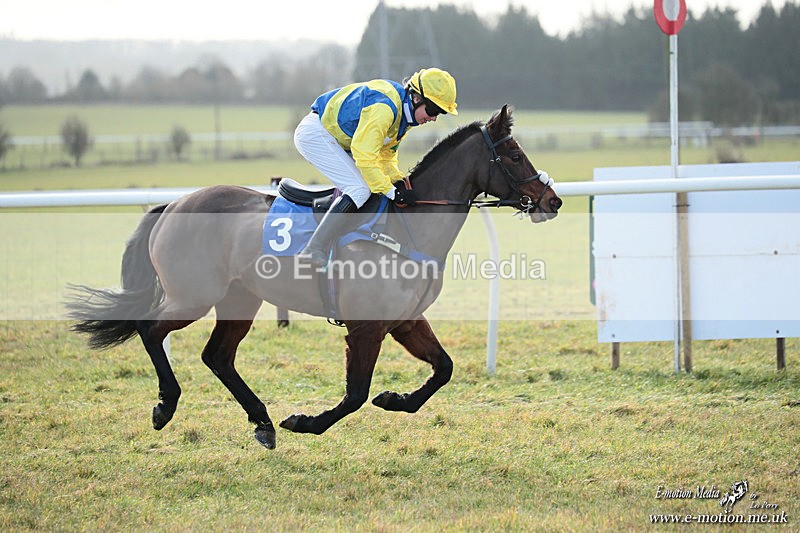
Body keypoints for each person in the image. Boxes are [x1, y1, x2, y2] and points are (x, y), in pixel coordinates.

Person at [293, 67, 458, 267]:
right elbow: (365, 156)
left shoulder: (404, 117)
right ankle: (313, 248)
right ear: (416, 98)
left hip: (339, 140)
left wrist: (399, 182)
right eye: (433, 110)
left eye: (440, 113)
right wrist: (391, 191)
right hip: (316, 134)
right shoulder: (385, 109)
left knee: (369, 186)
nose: (434, 118)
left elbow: (386, 157)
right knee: (359, 189)